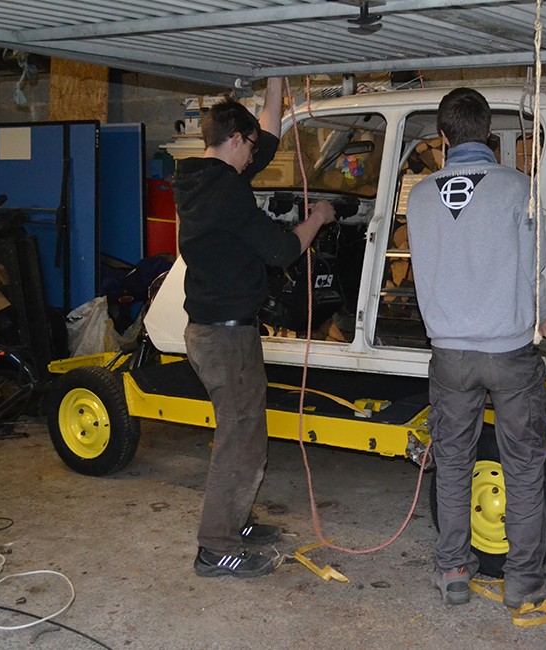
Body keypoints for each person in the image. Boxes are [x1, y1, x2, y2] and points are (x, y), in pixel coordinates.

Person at [405, 87, 546, 608]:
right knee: (522, 467)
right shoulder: (520, 187)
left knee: (452, 463)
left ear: (443, 136)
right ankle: (523, 581)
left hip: (450, 353)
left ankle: (453, 571)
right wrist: (541, 315)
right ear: (488, 133)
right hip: (510, 350)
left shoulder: (422, 195)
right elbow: (535, 263)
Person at [172, 78, 336, 578]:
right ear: (234, 140)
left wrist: (276, 84)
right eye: (249, 149)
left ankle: (234, 521)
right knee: (238, 440)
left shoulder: (202, 178)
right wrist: (319, 218)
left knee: (247, 433)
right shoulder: (227, 194)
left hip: (215, 329)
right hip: (225, 336)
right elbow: (284, 250)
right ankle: (214, 547)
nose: (254, 158)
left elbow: (266, 136)